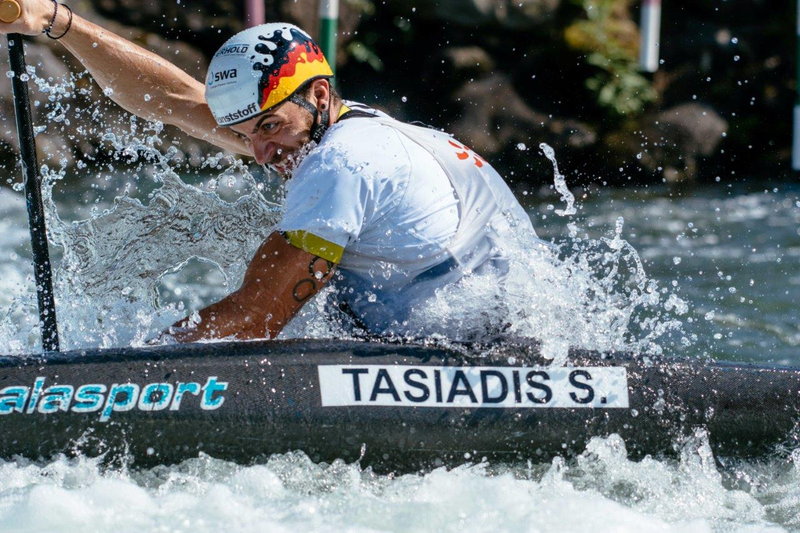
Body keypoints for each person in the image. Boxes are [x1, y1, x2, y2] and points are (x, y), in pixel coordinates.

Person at [2, 1, 546, 342]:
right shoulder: (330, 132)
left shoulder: (341, 164)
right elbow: (173, 100)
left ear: (319, 94)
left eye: (268, 127)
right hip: (498, 331)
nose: (260, 154)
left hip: (480, 352)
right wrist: (56, 21)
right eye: (246, 134)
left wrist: (133, 367)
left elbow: (255, 319)